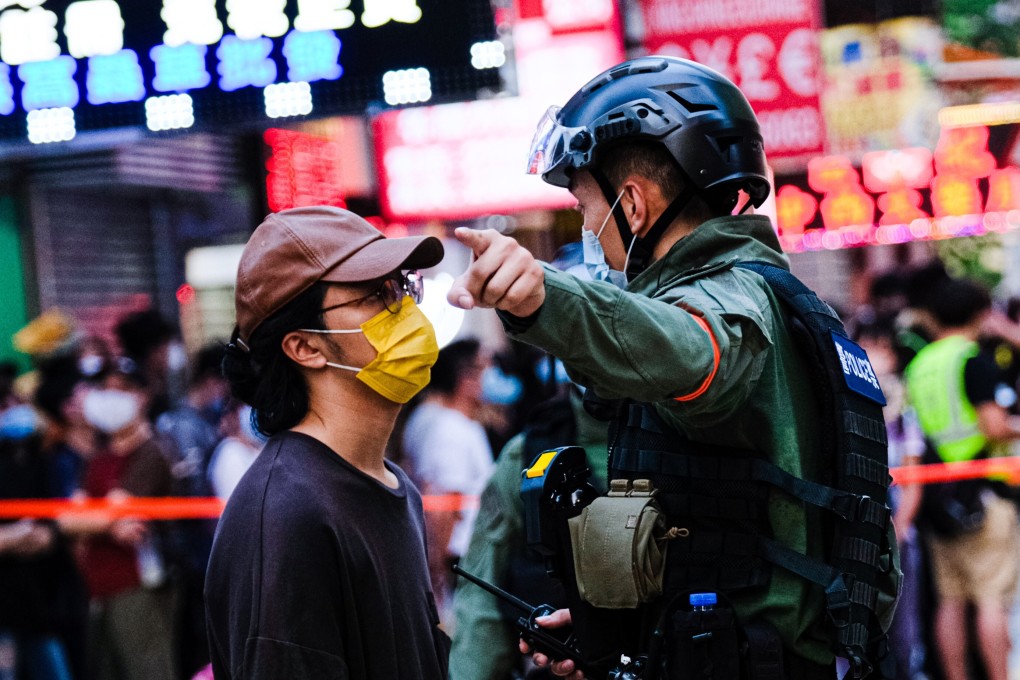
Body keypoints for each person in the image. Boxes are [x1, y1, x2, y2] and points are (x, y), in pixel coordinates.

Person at [448, 56, 896, 679]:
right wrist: (625, 631)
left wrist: (540, 297)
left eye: (583, 204)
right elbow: (728, 530)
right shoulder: (761, 293)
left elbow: (689, 349)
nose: (583, 226)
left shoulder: (730, 300)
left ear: (631, 205)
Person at [204, 205, 449, 679]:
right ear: (305, 347)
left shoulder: (393, 485)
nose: (405, 310)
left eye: (402, 286)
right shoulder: (286, 514)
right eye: (376, 296)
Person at [904, 278, 1020, 680]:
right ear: (980, 313)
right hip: (982, 490)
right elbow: (993, 426)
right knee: (991, 598)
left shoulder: (921, 365)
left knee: (950, 600)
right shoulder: (973, 359)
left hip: (936, 494)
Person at [74, 361, 180, 680]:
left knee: (149, 670)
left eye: (122, 389)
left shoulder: (154, 451)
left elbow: (122, 519)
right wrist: (96, 520)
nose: (111, 397)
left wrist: (85, 519)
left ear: (142, 397)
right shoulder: (99, 458)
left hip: (140, 586)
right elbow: (76, 517)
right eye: (106, 389)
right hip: (97, 588)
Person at [402, 337, 495, 623]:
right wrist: (437, 572)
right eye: (486, 367)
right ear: (464, 377)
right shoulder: (451, 430)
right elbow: (443, 505)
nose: (492, 375)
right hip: (459, 564)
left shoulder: (453, 424)